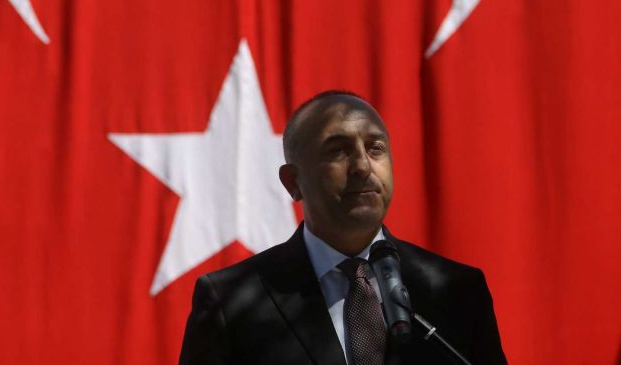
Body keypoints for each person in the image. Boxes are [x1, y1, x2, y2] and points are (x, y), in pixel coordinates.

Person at [178, 90, 506, 364]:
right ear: (293, 182)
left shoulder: (457, 291)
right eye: (338, 150)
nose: (363, 165)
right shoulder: (231, 300)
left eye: (376, 148)